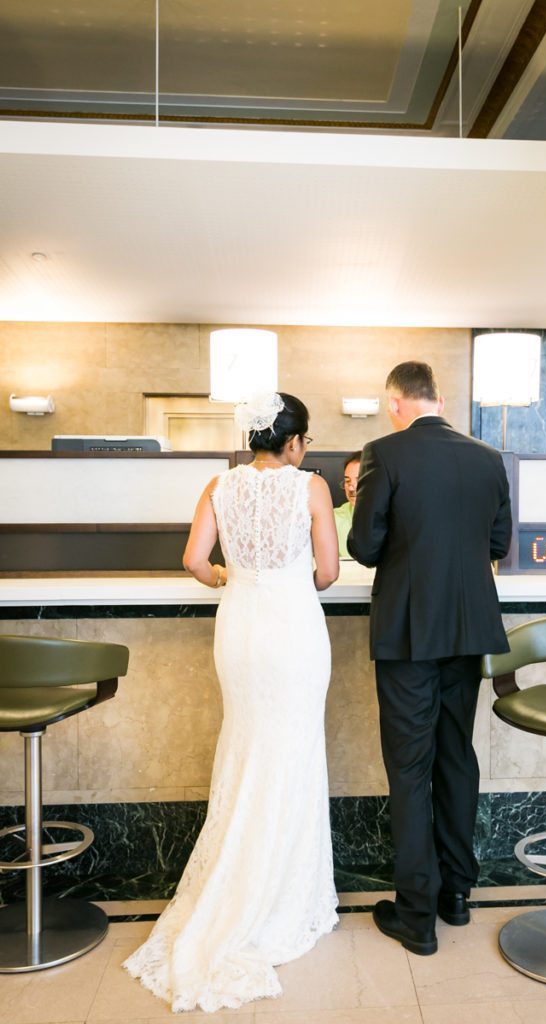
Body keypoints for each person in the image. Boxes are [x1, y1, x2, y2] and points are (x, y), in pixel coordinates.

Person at [123, 392, 340, 1012]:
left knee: (246, 746)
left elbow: (194, 559)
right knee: (292, 749)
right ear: (295, 443)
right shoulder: (312, 488)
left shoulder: (217, 484)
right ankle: (280, 897)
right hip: (294, 629)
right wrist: (293, 574)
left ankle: (232, 887)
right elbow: (326, 573)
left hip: (241, 627)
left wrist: (228, 577)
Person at [347, 361, 511, 957]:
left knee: (410, 768)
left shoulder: (383, 453)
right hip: (467, 631)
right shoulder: (489, 459)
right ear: (439, 399)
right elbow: (497, 545)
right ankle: (458, 895)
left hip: (409, 633)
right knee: (456, 756)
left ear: (395, 403)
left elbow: (362, 546)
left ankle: (416, 913)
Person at [333, 451, 362, 558]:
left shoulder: (394, 517)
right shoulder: (333, 518)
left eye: (358, 480)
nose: (351, 488)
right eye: (347, 481)